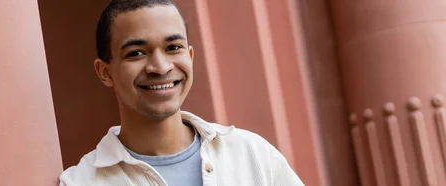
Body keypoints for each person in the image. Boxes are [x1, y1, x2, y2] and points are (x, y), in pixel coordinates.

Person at [59, 0, 304, 185]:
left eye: (173, 48)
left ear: (190, 56)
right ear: (105, 72)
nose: (161, 67)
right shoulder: (81, 182)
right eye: (136, 53)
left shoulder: (250, 154)